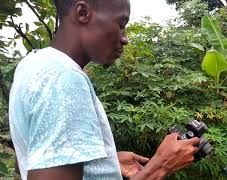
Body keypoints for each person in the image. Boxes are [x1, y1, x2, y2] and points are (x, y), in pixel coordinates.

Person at [8, 0, 200, 179]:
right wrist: (159, 167)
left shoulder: (33, 64)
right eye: (121, 25)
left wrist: (105, 161)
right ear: (83, 13)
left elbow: (25, 160)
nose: (125, 39)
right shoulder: (63, 78)